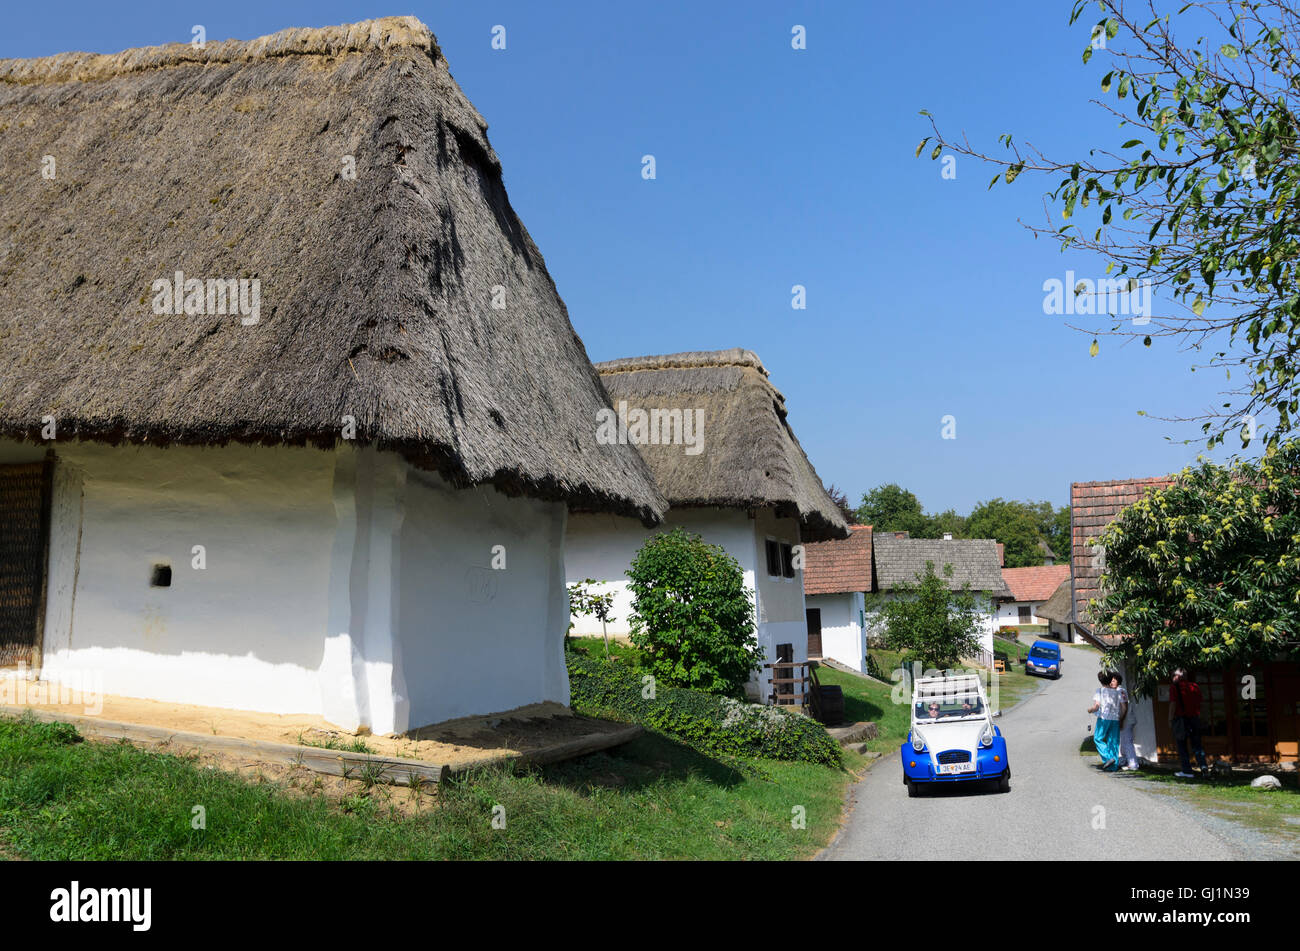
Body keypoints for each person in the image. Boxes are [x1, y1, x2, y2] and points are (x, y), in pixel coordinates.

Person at [1169, 668, 1208, 778]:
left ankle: (1187, 770)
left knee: (1182, 746)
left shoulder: (1174, 688)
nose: (1172, 678)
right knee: (1197, 745)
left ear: (1178, 676)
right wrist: (1203, 717)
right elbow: (1201, 704)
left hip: (1181, 719)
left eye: (1173, 675)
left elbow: (1173, 704)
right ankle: (1204, 767)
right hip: (1194, 718)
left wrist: (1170, 719)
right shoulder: (1194, 686)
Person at [1087, 670, 1123, 771]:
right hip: (1115, 718)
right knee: (1113, 742)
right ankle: (1113, 767)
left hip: (1104, 718)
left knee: (1098, 738)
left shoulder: (1100, 691)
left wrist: (1090, 710)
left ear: (1100, 680)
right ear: (1110, 679)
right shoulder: (1116, 692)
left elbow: (1097, 706)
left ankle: (1108, 758)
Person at [1111, 671, 1139, 771]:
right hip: (1123, 719)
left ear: (1118, 681)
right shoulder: (1116, 691)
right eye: (1111, 681)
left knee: (1127, 741)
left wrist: (1121, 720)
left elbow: (1124, 707)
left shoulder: (1121, 691)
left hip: (1126, 720)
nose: (1111, 682)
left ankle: (1133, 763)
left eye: (1113, 680)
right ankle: (1125, 761)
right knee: (1123, 742)